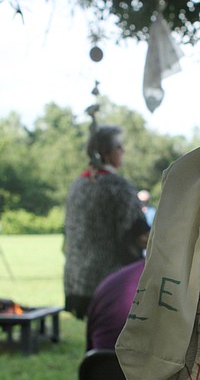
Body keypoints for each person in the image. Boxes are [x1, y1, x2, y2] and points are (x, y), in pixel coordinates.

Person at [63, 125, 149, 319]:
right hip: (111, 281)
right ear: (106, 153)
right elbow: (141, 235)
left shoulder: (77, 184)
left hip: (78, 279)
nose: (123, 151)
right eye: (119, 147)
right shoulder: (117, 185)